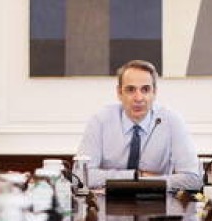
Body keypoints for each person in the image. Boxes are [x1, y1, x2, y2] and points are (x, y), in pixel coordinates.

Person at [77, 60, 202, 191]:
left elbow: (193, 178)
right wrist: (136, 176)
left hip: (158, 201)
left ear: (154, 92)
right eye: (131, 90)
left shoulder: (171, 121)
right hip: (107, 201)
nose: (138, 98)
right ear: (119, 93)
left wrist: (149, 183)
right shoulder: (100, 121)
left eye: (145, 90)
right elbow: (81, 175)